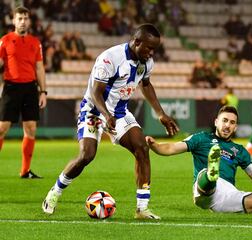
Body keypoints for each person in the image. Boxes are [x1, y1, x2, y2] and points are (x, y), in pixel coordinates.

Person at [42, 23, 179, 219]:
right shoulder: (110, 58)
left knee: (142, 148)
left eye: (154, 49)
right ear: (136, 42)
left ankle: (142, 208)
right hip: (94, 111)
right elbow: (96, 93)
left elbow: (146, 85)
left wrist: (160, 113)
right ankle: (54, 192)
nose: (151, 53)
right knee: (87, 155)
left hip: (120, 113)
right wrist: (106, 115)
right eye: (148, 48)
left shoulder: (147, 62)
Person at [146, 106, 252, 217]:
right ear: (216, 122)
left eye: (232, 123)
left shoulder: (240, 151)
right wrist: (154, 146)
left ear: (235, 127)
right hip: (202, 191)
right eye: (225, 121)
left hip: (225, 196)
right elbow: (169, 149)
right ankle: (211, 174)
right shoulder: (201, 138)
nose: (227, 125)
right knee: (206, 175)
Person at [0, 6, 47, 178]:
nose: (23, 21)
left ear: (29, 21)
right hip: (11, 88)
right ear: (13, 21)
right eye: (19, 18)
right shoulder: (4, 40)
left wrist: (43, 91)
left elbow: (39, 68)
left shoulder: (36, 42)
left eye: (25, 18)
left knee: (31, 128)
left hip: (30, 88)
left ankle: (25, 171)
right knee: (1, 128)